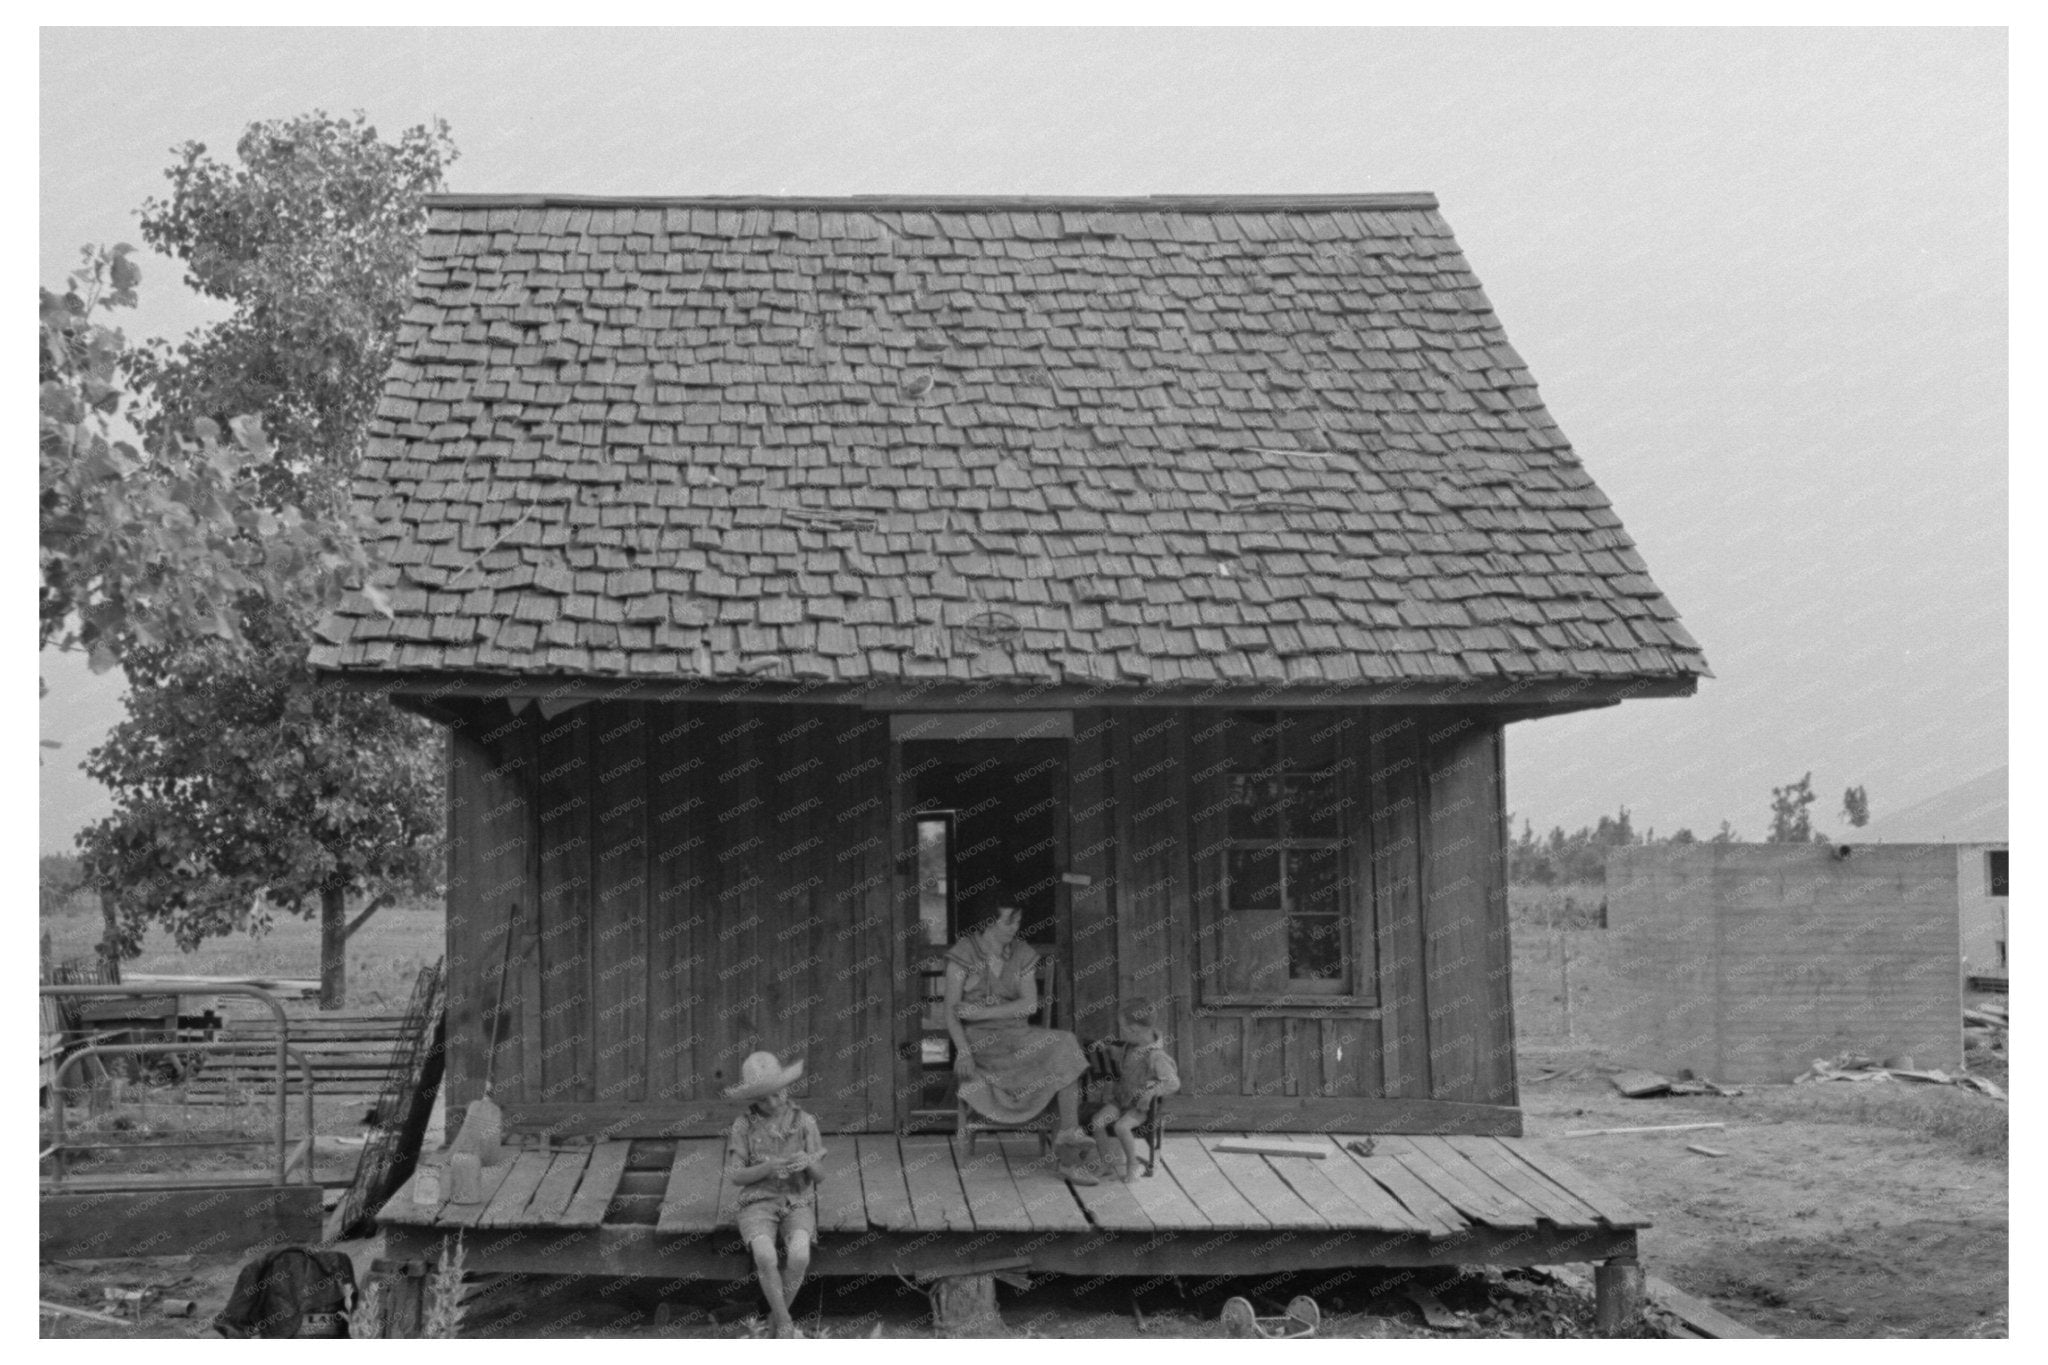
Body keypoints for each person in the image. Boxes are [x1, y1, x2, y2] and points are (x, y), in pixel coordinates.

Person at [943, 901, 1099, 1186]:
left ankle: (1068, 1138)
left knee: (1065, 1043)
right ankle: (1069, 1144)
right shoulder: (963, 955)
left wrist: (981, 1012)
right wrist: (963, 1051)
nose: (1015, 928)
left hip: (1019, 1036)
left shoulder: (1022, 952)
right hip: (983, 1043)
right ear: (988, 923)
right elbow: (951, 1012)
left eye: (1017, 922)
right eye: (1009, 922)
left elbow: (1029, 1006)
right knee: (1063, 1048)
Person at [723, 1050, 825, 1339]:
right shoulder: (743, 1125)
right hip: (757, 1202)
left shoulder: (805, 1121)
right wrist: (766, 1168)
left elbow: (820, 1176)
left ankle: (774, 1319)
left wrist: (808, 1161)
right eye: (762, 1098)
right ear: (753, 1100)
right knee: (766, 1257)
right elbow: (736, 1176)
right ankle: (784, 1323)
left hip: (797, 1199)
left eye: (776, 1094)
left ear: (786, 1088)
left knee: (799, 1256)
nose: (771, 1102)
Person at [1089, 998, 1181, 1181]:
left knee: (1121, 1127)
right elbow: (1123, 1057)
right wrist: (1106, 1049)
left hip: (1140, 1107)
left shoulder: (1156, 1056)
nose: (1121, 1031)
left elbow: (1173, 1083)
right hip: (1120, 1100)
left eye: (1123, 1028)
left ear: (1134, 1029)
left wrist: (1151, 1092)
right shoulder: (1130, 1047)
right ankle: (1106, 1162)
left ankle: (1133, 1163)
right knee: (1097, 1122)